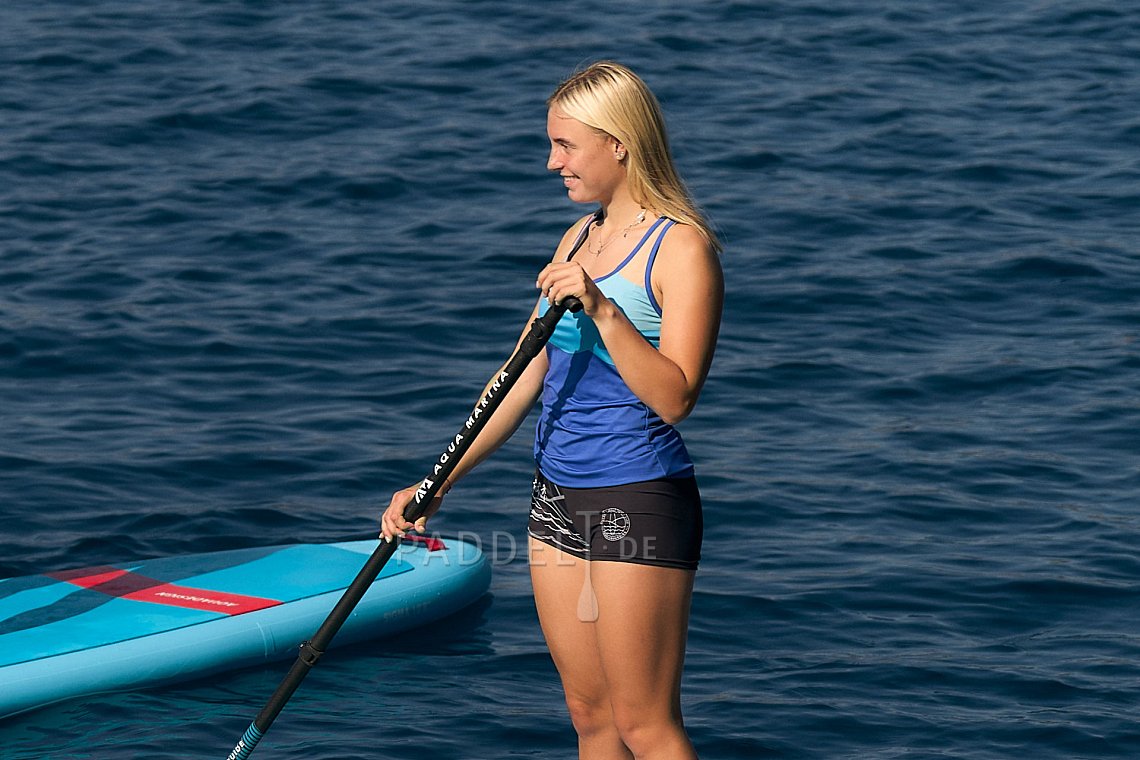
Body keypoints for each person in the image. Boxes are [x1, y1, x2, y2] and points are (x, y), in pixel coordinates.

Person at [382, 60, 723, 760]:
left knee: (644, 725)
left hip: (639, 493)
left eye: (566, 145)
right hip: (555, 496)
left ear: (618, 144)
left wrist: (600, 307)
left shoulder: (681, 247)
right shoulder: (576, 239)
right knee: (589, 717)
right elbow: (517, 376)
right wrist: (436, 483)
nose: (551, 163)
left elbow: (677, 395)